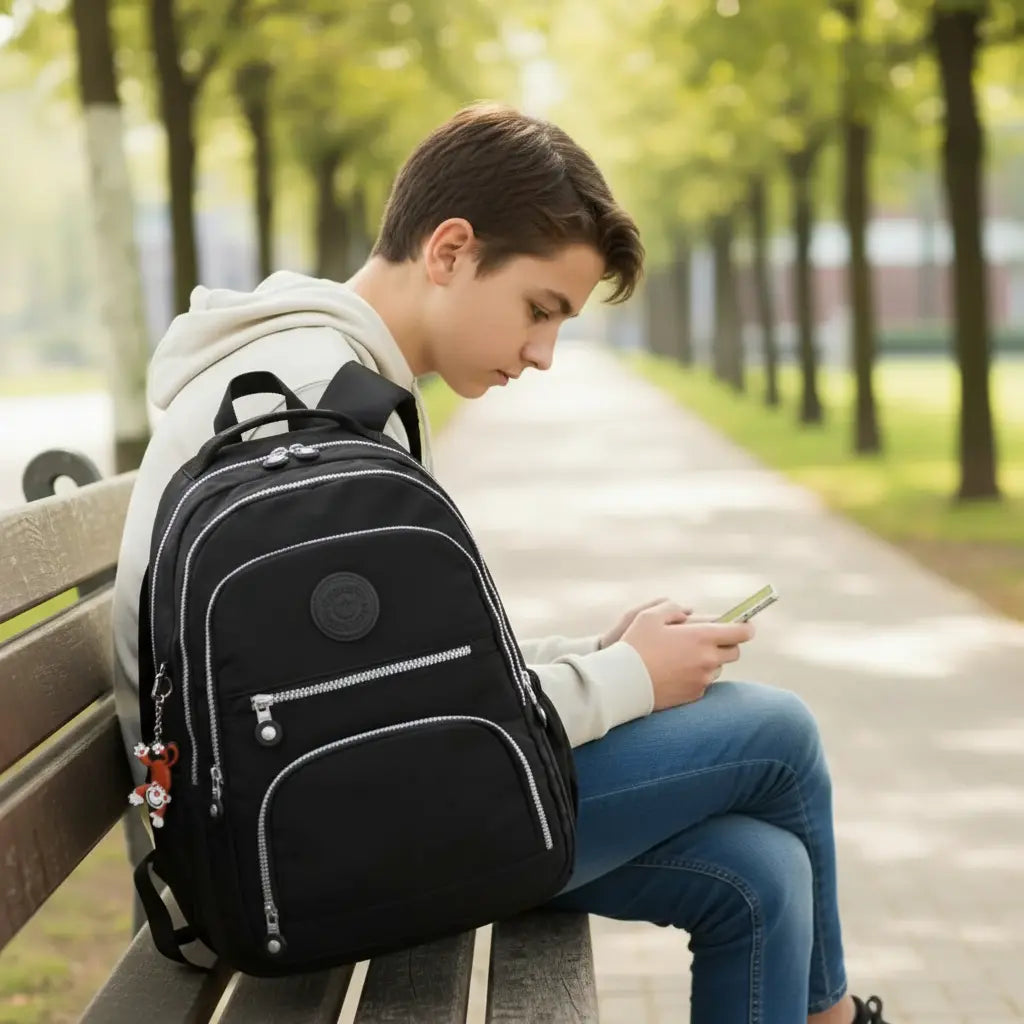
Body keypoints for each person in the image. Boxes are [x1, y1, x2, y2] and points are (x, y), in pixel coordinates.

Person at [112, 101, 889, 1024]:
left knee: (762, 874)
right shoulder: (323, 410)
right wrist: (626, 680)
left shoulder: (318, 380)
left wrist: (592, 659)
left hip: (294, 823)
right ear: (449, 250)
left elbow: (393, 682)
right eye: (539, 309)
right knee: (777, 731)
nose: (545, 353)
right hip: (305, 855)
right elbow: (391, 725)